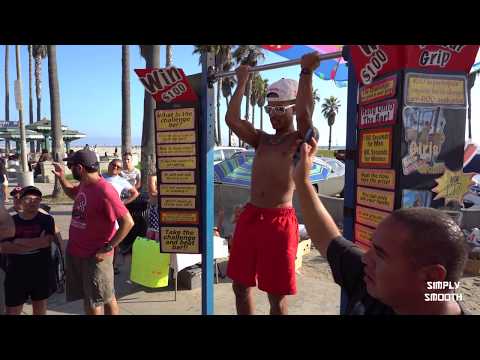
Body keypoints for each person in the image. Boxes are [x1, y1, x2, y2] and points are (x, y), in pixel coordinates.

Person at [292, 52, 468, 315]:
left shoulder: (379, 289)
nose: (366, 258)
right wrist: (302, 182)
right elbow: (327, 238)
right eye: (373, 247)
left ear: (432, 277)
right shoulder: (375, 285)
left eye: (381, 254)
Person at [224, 64, 317, 315]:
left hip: (280, 223)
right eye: (269, 109)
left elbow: (306, 117)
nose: (272, 115)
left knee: (276, 298)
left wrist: (306, 73)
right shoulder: (263, 139)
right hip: (251, 217)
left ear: (293, 108)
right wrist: (242, 80)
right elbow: (232, 119)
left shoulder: (301, 140)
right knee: (240, 287)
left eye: (279, 109)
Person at [52, 149, 134, 315]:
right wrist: (61, 178)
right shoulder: (84, 184)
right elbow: (72, 194)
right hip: (78, 253)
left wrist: (108, 247)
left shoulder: (104, 190)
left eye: (71, 166)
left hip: (94, 256)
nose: (69, 168)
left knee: (95, 300)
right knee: (103, 296)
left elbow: (128, 222)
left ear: (80, 168)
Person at [0, 186, 57, 315]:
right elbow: (4, 247)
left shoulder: (47, 219)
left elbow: (46, 242)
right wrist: (36, 243)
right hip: (15, 273)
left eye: (37, 199)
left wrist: (18, 242)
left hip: (40, 272)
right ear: (20, 201)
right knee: (12, 311)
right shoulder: (10, 221)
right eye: (28, 199)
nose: (33, 202)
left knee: (40, 308)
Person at [103, 158, 139, 274]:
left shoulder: (121, 180)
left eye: (118, 167)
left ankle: (112, 266)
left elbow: (135, 193)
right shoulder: (100, 177)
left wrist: (123, 203)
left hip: (113, 212)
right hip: (99, 211)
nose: (115, 167)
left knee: (115, 238)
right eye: (113, 165)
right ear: (109, 165)